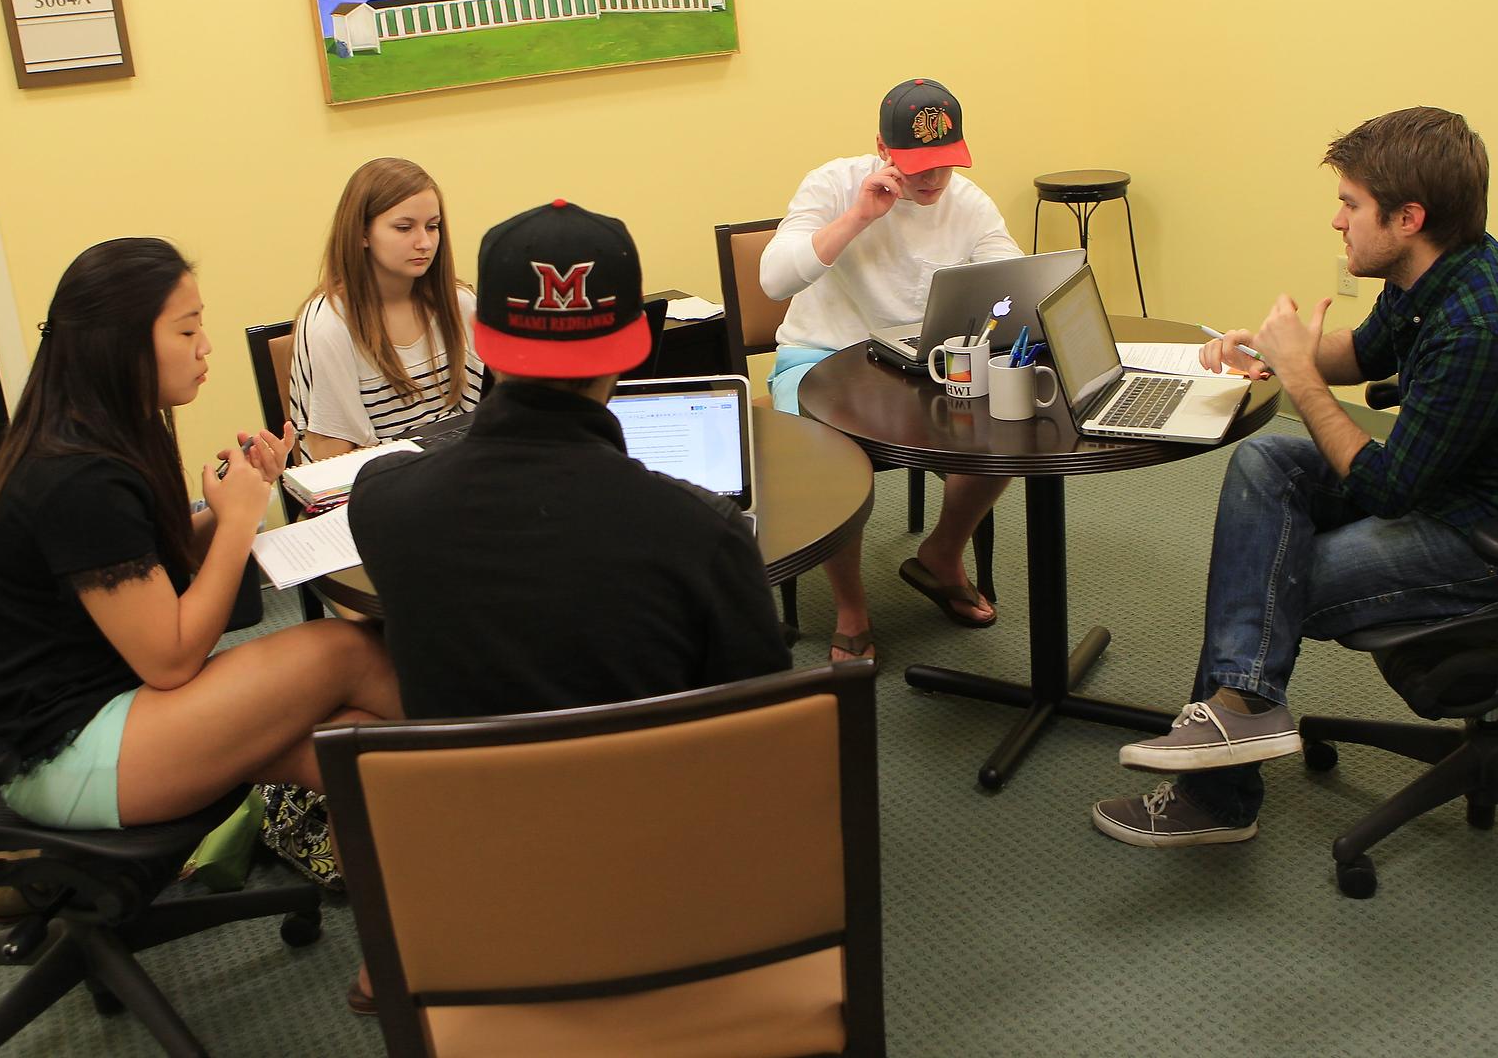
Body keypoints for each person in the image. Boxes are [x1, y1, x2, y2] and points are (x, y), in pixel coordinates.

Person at [1091, 107, 1498, 848]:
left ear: (1409, 218)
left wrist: (1302, 377)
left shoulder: (1482, 325)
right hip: (1464, 488)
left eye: (1350, 205)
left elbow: (1384, 491)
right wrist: (1276, 352)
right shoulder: (1438, 273)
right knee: (1266, 461)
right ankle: (1242, 712)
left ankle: (1218, 792)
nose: (1336, 221)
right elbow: (1366, 352)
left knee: (1279, 569)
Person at [0, 237, 403, 836]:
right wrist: (242, 518)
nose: (206, 346)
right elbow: (171, 656)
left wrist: (231, 505)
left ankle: (449, 847)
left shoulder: (112, 430)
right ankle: (510, 767)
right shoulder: (75, 475)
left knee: (351, 743)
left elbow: (146, 565)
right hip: (65, 752)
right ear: (122, 344)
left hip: (117, 704)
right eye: (187, 331)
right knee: (347, 649)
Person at [350, 198, 790, 720]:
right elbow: (767, 725)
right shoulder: (707, 535)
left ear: (482, 344)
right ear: (631, 351)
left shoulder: (382, 499)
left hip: (465, 796)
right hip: (648, 795)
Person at [760, 78, 1020, 661]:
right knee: (831, 454)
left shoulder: (968, 202)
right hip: (822, 356)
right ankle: (851, 607)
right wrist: (858, 216)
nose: (933, 180)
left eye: (945, 164)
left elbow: (1011, 283)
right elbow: (774, 280)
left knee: (1009, 427)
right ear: (881, 147)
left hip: (918, 364)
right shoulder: (830, 184)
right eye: (918, 165)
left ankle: (941, 555)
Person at [289, 157, 483, 461]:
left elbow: (486, 418)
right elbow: (333, 459)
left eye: (432, 227)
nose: (424, 243)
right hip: (376, 486)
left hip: (457, 472)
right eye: (404, 228)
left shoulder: (460, 303)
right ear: (362, 233)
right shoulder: (329, 324)